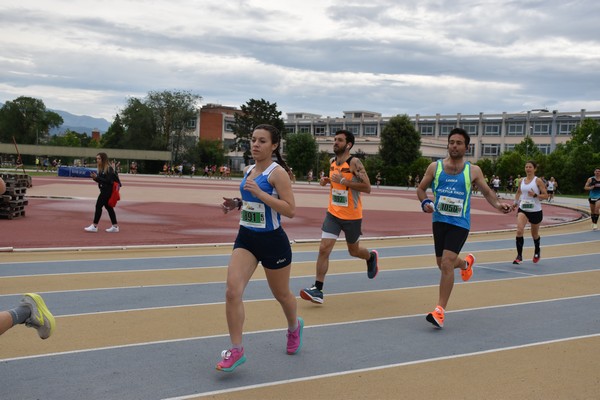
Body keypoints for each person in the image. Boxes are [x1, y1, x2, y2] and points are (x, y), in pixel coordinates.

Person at [217, 124, 303, 372]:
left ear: (274, 145)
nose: (255, 145)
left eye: (262, 141)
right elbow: (251, 201)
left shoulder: (278, 174)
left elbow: (290, 210)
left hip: (272, 242)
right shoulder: (249, 170)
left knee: (282, 295)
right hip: (246, 238)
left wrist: (261, 194)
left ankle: (293, 327)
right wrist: (236, 203)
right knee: (232, 291)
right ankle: (236, 349)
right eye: (253, 140)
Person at [417, 128, 512, 328]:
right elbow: (420, 188)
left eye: (459, 143)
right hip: (439, 221)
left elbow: (487, 192)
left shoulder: (473, 170)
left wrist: (498, 205)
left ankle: (439, 311)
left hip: (459, 223)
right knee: (442, 264)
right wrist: (425, 202)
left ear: (466, 147)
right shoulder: (435, 167)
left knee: (446, 264)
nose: (454, 146)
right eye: (451, 142)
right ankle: (466, 265)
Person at [300, 129, 378, 305]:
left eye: (339, 140)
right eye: (335, 139)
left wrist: (344, 181)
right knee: (323, 249)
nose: (335, 142)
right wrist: (327, 180)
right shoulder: (332, 161)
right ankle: (318, 289)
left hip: (352, 216)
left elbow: (367, 187)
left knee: (354, 251)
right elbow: (336, 182)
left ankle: (370, 257)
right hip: (333, 213)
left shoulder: (354, 162)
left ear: (348, 144)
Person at [511, 161, 548, 264]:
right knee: (519, 230)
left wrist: (535, 195)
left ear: (534, 169)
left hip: (535, 210)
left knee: (534, 234)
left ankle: (537, 250)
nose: (528, 169)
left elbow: (546, 196)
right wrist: (515, 203)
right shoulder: (521, 180)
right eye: (526, 167)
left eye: (530, 167)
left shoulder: (538, 181)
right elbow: (519, 192)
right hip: (523, 208)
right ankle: (519, 256)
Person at [84, 152, 121, 233]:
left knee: (98, 206)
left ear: (103, 159)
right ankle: (115, 226)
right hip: (105, 190)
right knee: (108, 207)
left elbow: (109, 181)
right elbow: (102, 181)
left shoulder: (109, 169)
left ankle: (94, 225)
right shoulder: (102, 169)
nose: (97, 160)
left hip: (107, 191)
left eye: (99, 159)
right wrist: (95, 178)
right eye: (97, 158)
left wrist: (97, 178)